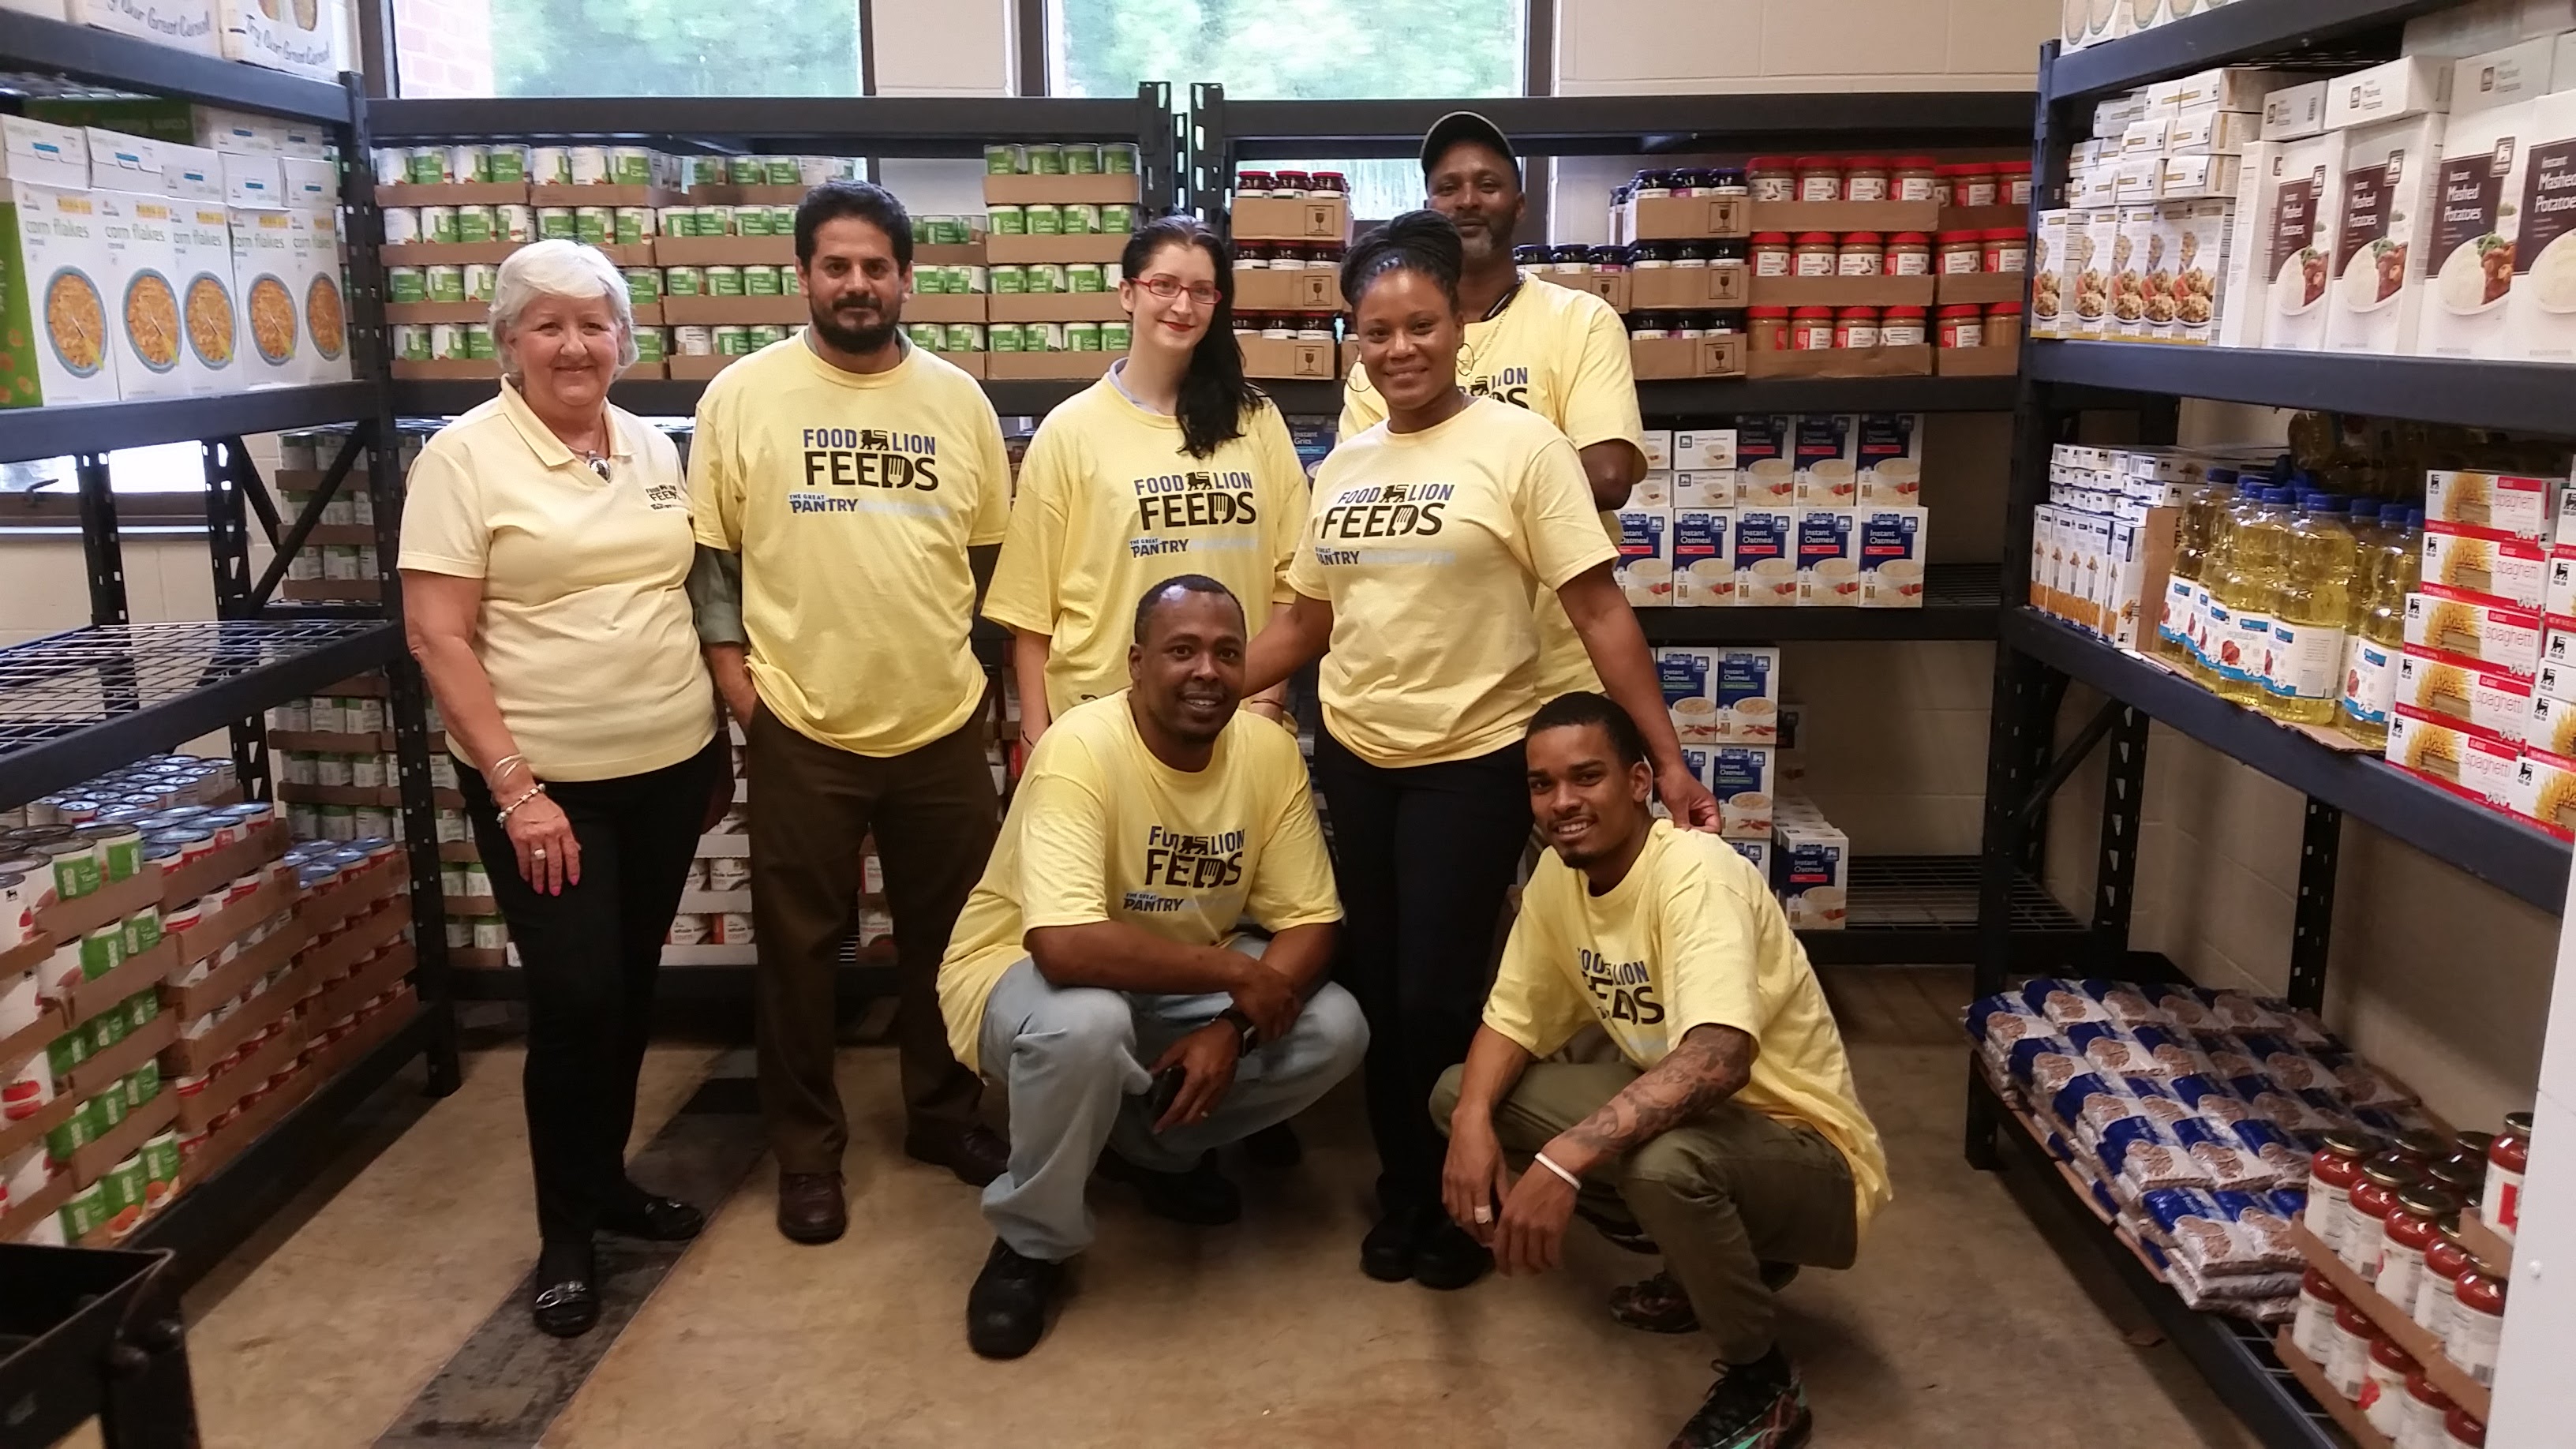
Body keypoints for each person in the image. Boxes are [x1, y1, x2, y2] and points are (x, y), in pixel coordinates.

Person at [1244, 211, 1717, 1293]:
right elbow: (1307, 619)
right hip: (1358, 753)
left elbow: (1597, 613)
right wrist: (1222, 673)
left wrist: (1669, 757)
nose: (1401, 347)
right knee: (1375, 983)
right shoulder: (1346, 465)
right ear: (1352, 340)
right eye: (1378, 330)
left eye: (1421, 323)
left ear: (1458, 323)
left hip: (1474, 755)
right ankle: (1402, 1192)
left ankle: (1462, 1200)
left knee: (1439, 996)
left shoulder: (1522, 447)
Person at [399, 239, 728, 1339]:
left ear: (626, 340)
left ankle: (611, 1185)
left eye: (594, 324)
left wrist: (715, 742)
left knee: (630, 987)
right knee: (576, 1000)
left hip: (670, 765)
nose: (574, 345)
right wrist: (514, 785)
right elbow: (438, 636)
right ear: (507, 343)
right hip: (546, 786)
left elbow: (679, 592)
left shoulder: (649, 446)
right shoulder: (463, 459)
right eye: (548, 324)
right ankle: (566, 1233)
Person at [687, 180, 1013, 1247]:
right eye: (837, 265)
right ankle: (806, 1152)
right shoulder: (743, 395)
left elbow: (987, 567)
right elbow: (714, 560)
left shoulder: (958, 401)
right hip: (803, 722)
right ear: (805, 277)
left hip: (938, 723)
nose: (858, 284)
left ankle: (945, 1115)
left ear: (908, 278)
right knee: (796, 954)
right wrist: (740, 683)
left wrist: (977, 693)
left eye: (877, 266)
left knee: (951, 940)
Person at [1435, 693, 1890, 1449]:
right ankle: (1702, 1259)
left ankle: (1764, 1385)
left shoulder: (1695, 874)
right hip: (1708, 1129)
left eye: (1587, 777)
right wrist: (1471, 1125)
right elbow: (1511, 1019)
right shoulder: (1557, 877)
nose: (1562, 803)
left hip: (1811, 1156)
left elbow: (1719, 1057)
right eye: (1542, 785)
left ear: (1641, 781)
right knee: (1461, 1092)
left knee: (1663, 1165)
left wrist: (1564, 1161)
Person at [937, 576, 1364, 1359]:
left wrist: (1234, 1028)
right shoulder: (1081, 745)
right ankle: (1033, 1243)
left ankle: (1148, 1147)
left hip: (1179, 984)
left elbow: (1311, 921)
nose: (1207, 670)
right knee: (1088, 1022)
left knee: (1336, 1025)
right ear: (1137, 663)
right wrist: (1237, 979)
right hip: (1022, 979)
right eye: (1182, 651)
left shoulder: (1265, 751)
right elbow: (1063, 946)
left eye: (1227, 653)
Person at [1340, 110, 1648, 703]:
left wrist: (1451, 492)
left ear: (1519, 203)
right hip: (1430, 679)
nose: (1468, 201)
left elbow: (1608, 476)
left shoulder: (1578, 322)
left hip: (1559, 672)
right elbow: (1369, 493)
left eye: (1488, 184)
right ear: (1429, 204)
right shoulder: (1382, 360)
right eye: (1448, 187)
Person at [986, 214, 1309, 747]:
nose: (1183, 306)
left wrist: (1265, 702)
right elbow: (1031, 613)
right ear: (1127, 293)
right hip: (1098, 726)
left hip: (1230, 718)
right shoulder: (1070, 430)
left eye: (1202, 291)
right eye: (1164, 285)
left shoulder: (1256, 422)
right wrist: (1038, 738)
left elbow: (1291, 581)